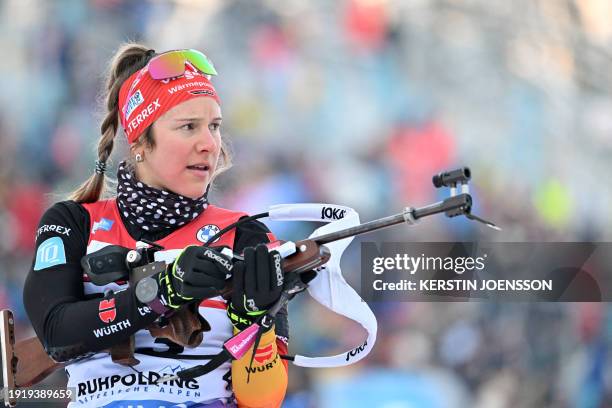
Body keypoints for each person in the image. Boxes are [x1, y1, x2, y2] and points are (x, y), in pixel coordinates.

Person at [23, 44, 290, 408]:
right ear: (140, 142)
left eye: (214, 126)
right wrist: (161, 291)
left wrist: (254, 322)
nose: (209, 144)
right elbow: (56, 332)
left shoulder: (247, 235)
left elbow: (263, 401)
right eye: (188, 127)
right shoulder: (74, 222)